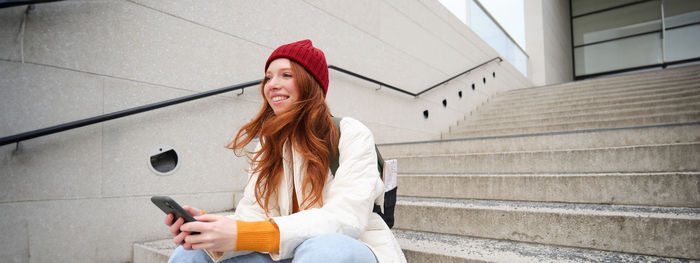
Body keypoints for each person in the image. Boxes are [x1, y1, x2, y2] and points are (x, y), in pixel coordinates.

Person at [164, 39, 406, 263]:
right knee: (190, 256)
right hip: (286, 251)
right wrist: (211, 228)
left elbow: (346, 219)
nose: (272, 85)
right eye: (268, 78)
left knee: (323, 251)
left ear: (310, 83)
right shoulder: (269, 143)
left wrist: (253, 234)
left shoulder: (351, 132)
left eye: (286, 75)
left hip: (354, 246)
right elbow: (253, 214)